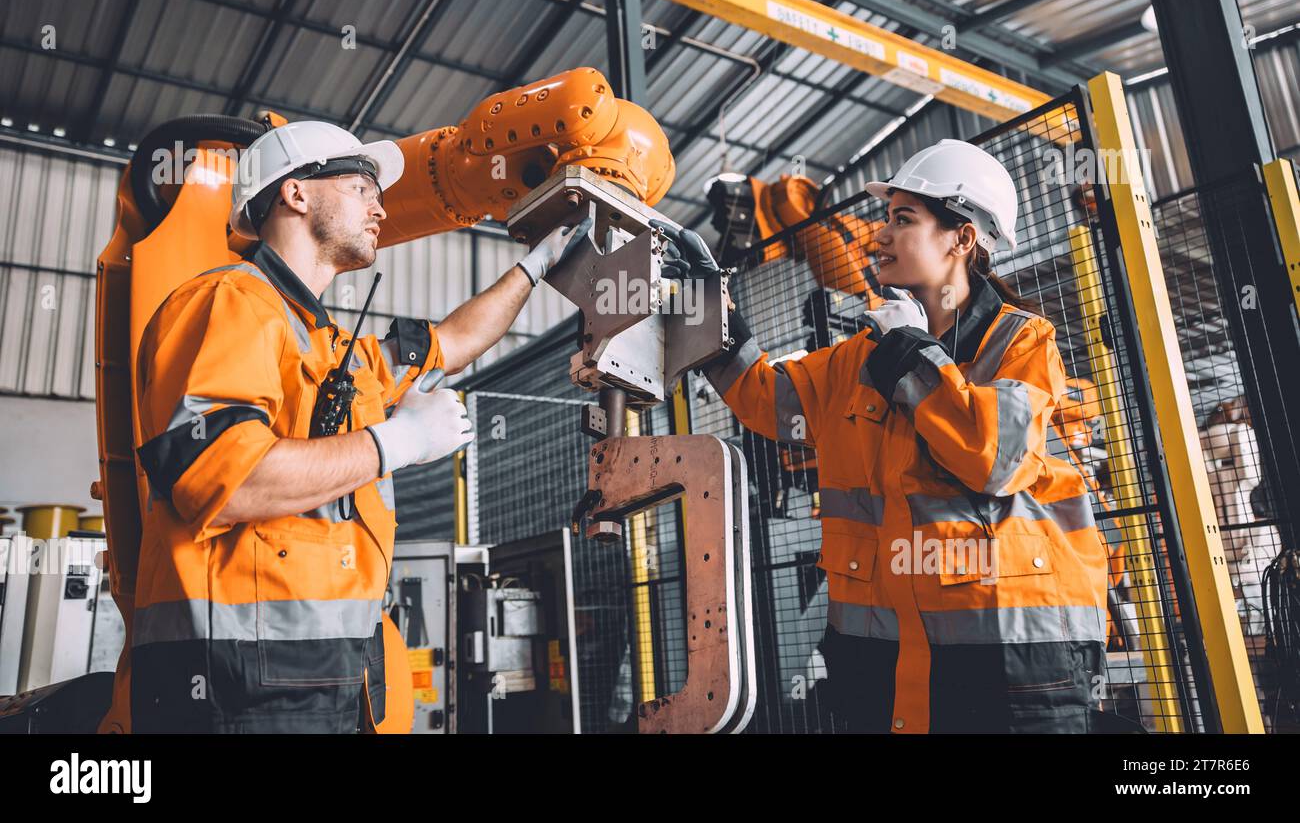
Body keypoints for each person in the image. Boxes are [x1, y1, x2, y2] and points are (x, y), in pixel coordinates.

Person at [131, 120, 591, 732]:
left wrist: (535, 268)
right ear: (295, 193)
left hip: (328, 682)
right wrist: (396, 443)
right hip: (232, 691)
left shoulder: (332, 350)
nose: (380, 208)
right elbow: (226, 477)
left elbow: (453, 342)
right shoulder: (229, 303)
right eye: (361, 187)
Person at [658, 139, 1110, 733]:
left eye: (903, 219)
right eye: (884, 218)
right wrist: (703, 302)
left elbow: (994, 459)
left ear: (962, 237)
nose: (879, 235)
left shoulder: (1021, 342)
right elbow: (767, 401)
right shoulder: (859, 356)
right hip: (883, 662)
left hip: (1012, 663)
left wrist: (912, 354)